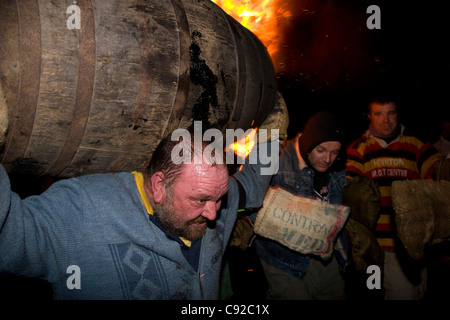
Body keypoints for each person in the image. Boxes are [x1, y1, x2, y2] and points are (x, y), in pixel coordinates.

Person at [0, 127, 278, 300]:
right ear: (159, 186)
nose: (213, 213)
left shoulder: (215, 198)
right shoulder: (83, 209)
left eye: (219, 198)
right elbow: (11, 236)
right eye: (200, 200)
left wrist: (271, 136)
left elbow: (251, 187)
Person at [345, 96, 444, 300]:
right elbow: (349, 191)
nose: (386, 120)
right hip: (376, 248)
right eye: (379, 114)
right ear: (369, 116)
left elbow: (439, 172)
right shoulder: (358, 149)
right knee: (380, 294)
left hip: (412, 246)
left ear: (398, 114)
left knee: (415, 293)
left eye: (391, 113)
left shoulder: (416, 145)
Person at [253, 111, 348, 300]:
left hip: (325, 261)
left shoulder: (337, 167)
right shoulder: (276, 158)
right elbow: (249, 204)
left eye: (334, 152)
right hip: (283, 260)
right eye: (321, 150)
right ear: (308, 144)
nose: (327, 159)